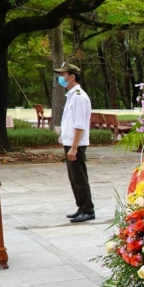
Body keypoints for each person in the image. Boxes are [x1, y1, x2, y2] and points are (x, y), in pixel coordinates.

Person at [55, 62, 95, 223]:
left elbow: (79, 125)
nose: (60, 78)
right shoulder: (72, 95)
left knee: (79, 178)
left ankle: (87, 209)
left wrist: (74, 147)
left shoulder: (78, 96)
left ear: (72, 77)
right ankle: (81, 207)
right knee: (74, 178)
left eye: (63, 75)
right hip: (71, 142)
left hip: (75, 144)